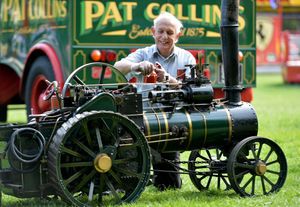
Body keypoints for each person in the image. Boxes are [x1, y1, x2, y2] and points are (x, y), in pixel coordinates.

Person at [114, 12, 196, 191]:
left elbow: (192, 90)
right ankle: (134, 178)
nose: (164, 37)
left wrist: (167, 79)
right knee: (129, 181)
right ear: (153, 32)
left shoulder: (187, 58)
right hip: (142, 120)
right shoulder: (143, 53)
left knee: (169, 186)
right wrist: (136, 66)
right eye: (160, 31)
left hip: (171, 122)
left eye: (169, 32)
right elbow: (117, 67)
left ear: (178, 36)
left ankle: (159, 173)